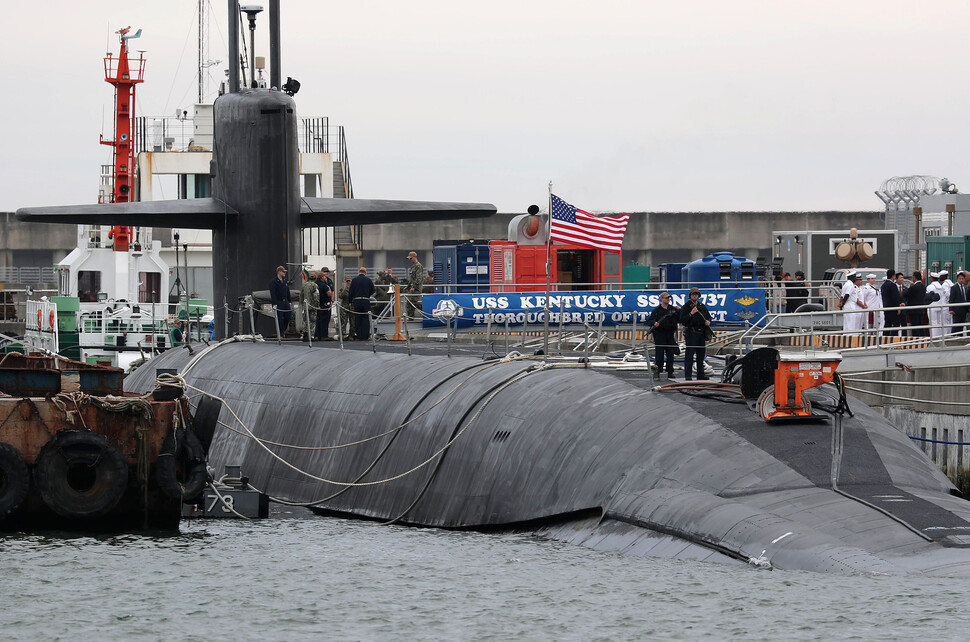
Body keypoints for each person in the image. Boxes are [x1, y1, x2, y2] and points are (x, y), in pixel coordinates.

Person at [679, 287, 712, 381]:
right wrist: (690, 314)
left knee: (701, 355)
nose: (695, 296)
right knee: (689, 355)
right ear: (690, 296)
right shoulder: (686, 307)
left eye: (696, 294)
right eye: (693, 294)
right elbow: (682, 320)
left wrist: (708, 321)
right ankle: (688, 375)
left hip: (701, 332)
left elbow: (708, 317)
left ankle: (700, 374)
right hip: (691, 332)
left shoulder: (702, 306)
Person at [647, 292, 680, 379]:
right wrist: (655, 323)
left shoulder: (673, 309)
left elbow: (679, 319)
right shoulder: (656, 311)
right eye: (666, 298)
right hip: (660, 334)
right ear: (661, 299)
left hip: (670, 334)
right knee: (659, 354)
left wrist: (679, 310)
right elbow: (649, 321)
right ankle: (658, 371)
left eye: (668, 298)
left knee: (670, 354)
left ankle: (670, 371)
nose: (667, 299)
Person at [349, 266, 376, 341]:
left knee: (357, 318)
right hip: (365, 300)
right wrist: (367, 294)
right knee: (365, 318)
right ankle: (365, 335)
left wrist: (350, 302)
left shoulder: (354, 280)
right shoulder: (368, 280)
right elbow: (373, 291)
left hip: (357, 300)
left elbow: (350, 292)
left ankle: (359, 335)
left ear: (359, 272)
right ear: (365, 273)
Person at [269, 265, 292, 337]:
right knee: (280, 318)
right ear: (279, 272)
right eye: (283, 272)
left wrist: (289, 301)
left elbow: (287, 291)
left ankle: (283, 330)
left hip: (285, 301)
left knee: (288, 316)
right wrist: (274, 303)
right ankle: (281, 333)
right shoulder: (273, 282)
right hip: (279, 301)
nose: (284, 273)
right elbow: (273, 293)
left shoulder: (284, 281)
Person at [880, 269, 904, 336]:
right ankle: (893, 339)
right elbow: (895, 298)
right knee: (896, 324)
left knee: (887, 324)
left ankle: (884, 339)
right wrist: (898, 307)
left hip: (886, 307)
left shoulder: (883, 285)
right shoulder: (892, 285)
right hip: (893, 308)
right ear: (893, 276)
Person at [904, 271, 926, 336]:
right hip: (921, 308)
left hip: (913, 309)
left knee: (914, 326)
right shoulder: (923, 286)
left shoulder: (914, 287)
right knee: (920, 324)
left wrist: (909, 287)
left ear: (914, 278)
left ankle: (915, 339)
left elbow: (905, 294)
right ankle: (922, 337)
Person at [299, 270, 320, 341]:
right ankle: (310, 336)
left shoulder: (304, 285)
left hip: (305, 306)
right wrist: (316, 306)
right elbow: (316, 296)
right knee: (312, 321)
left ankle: (305, 334)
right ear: (315, 278)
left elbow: (301, 295)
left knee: (305, 320)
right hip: (312, 306)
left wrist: (302, 303)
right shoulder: (315, 285)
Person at [315, 269, 334, 340]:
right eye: (324, 276)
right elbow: (329, 294)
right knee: (325, 321)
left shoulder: (316, 284)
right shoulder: (324, 285)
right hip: (325, 305)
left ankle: (318, 335)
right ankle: (324, 335)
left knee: (318, 321)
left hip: (318, 304)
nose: (325, 277)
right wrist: (328, 288)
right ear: (322, 277)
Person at [926, 271, 946, 337]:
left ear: (932, 278)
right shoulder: (941, 286)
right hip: (940, 306)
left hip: (932, 306)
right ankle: (940, 336)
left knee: (933, 322)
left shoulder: (930, 287)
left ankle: (934, 337)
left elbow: (927, 297)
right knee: (940, 323)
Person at [950, 271, 969, 336]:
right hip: (956, 310)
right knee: (956, 324)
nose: (961, 280)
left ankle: (960, 337)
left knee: (961, 324)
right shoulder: (954, 288)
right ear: (957, 279)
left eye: (962, 278)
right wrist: (951, 309)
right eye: (959, 278)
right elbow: (951, 299)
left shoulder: (965, 288)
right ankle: (953, 337)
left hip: (964, 310)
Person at [406, 251, 424, 319]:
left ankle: (427, 311)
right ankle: (410, 317)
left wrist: (413, 287)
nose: (410, 260)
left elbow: (418, 278)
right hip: (412, 288)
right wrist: (407, 287)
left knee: (413, 302)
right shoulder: (413, 266)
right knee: (410, 302)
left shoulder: (418, 266)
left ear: (414, 257)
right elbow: (411, 279)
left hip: (416, 288)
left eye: (411, 258)